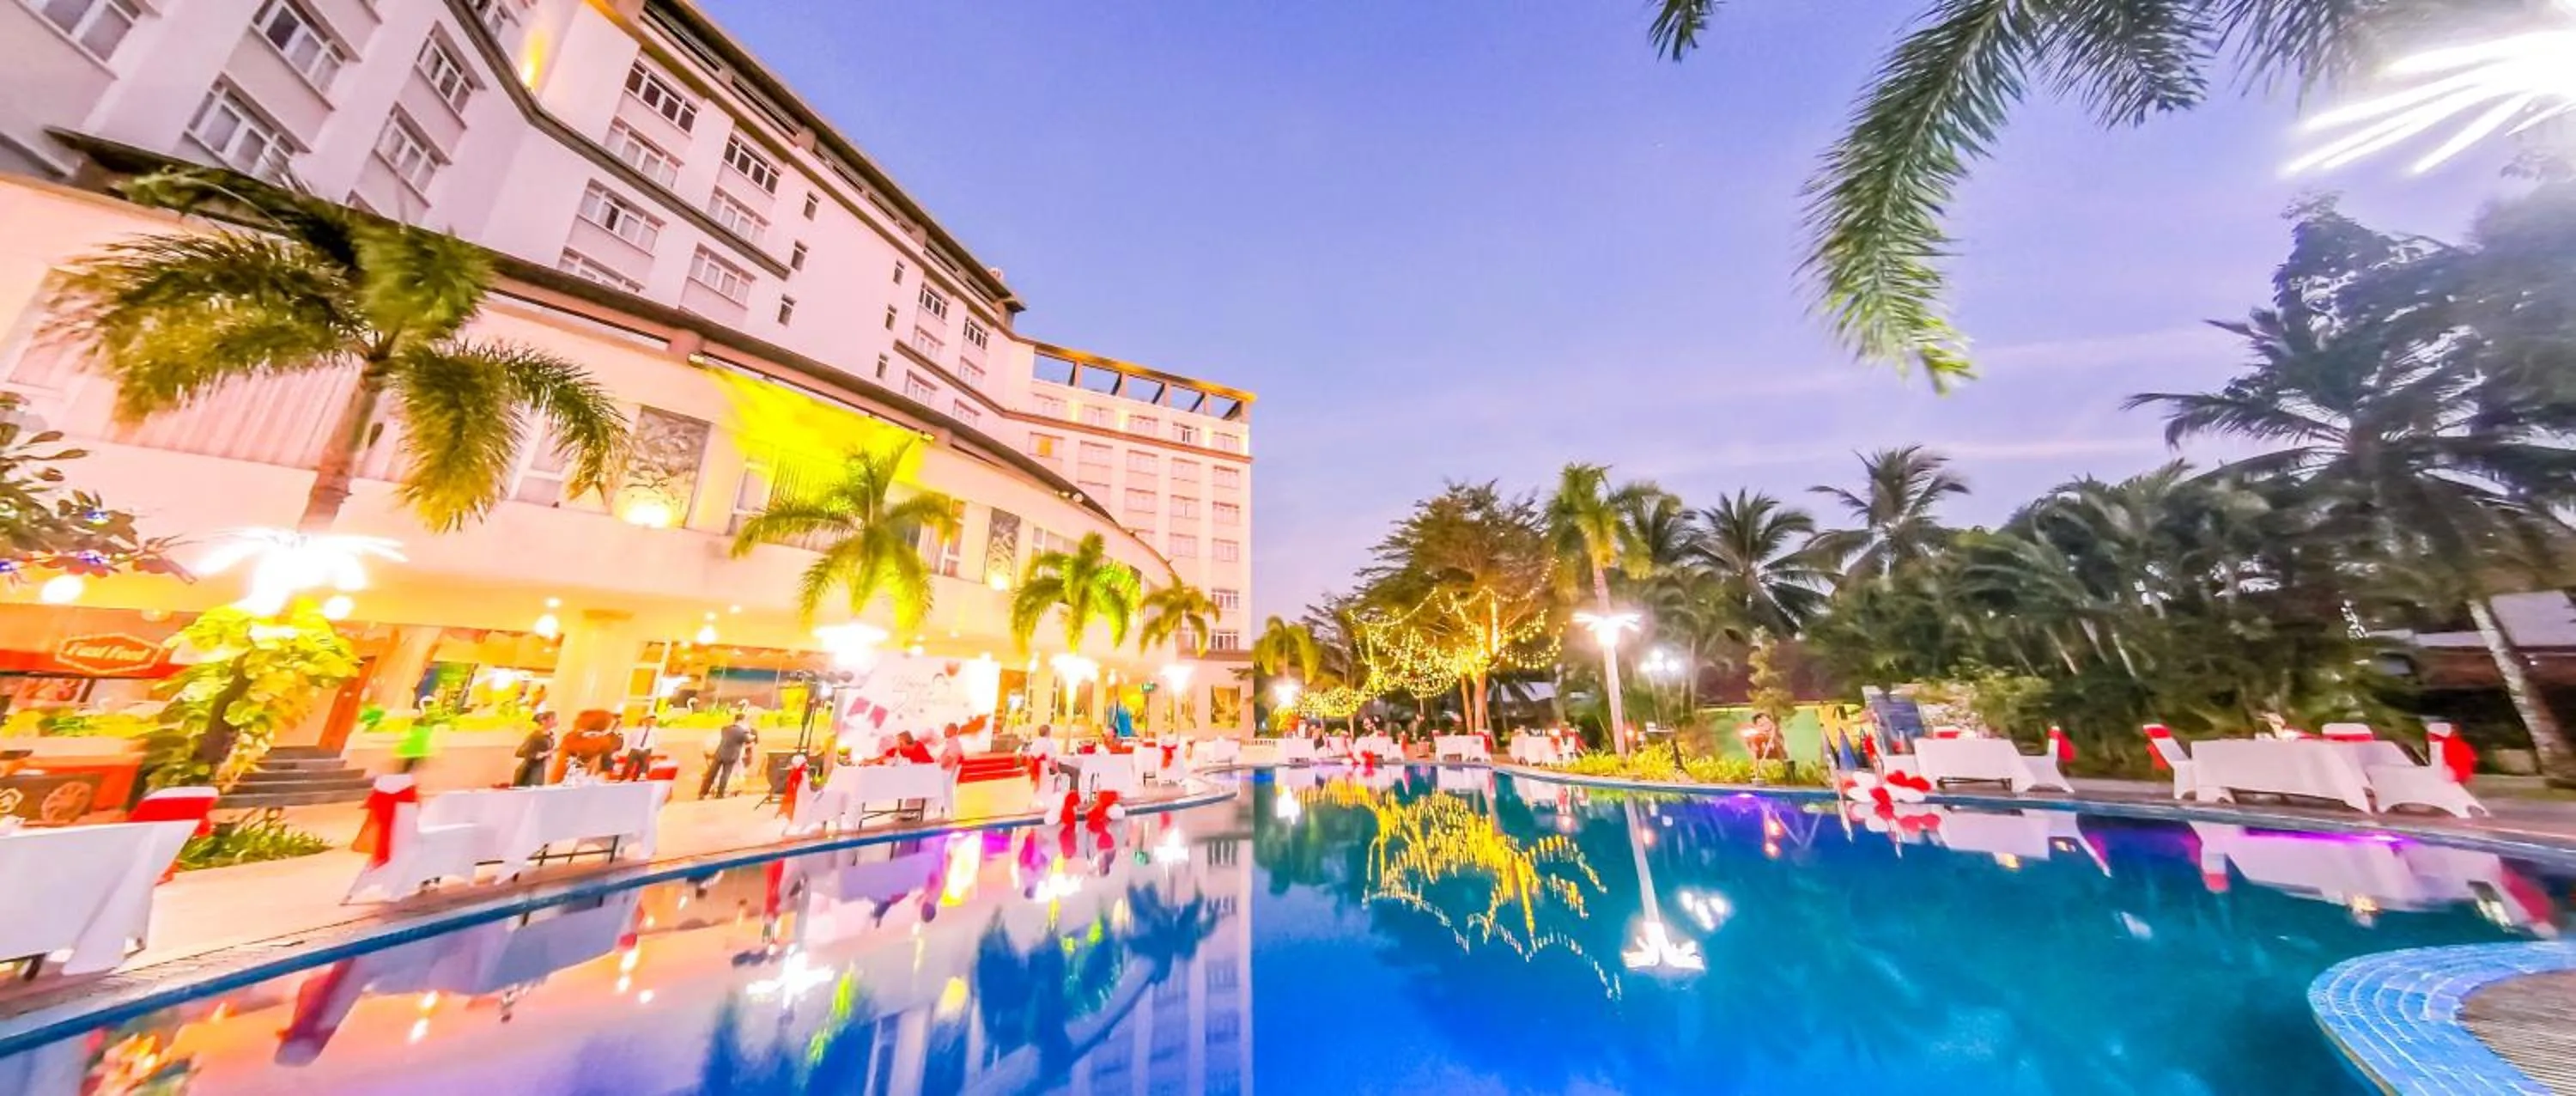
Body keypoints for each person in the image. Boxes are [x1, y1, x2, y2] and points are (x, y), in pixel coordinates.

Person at [702, 715, 752, 799]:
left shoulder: (725, 729)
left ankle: (703, 793)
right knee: (725, 775)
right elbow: (748, 740)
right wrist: (748, 734)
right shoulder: (741, 732)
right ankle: (720, 794)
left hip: (720, 753)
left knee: (711, 774)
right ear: (741, 721)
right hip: (731, 756)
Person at [511, 712, 556, 788]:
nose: (556, 721)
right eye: (553, 718)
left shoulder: (550, 735)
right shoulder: (535, 736)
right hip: (530, 771)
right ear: (543, 721)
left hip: (540, 769)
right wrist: (543, 754)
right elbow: (520, 752)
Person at [623, 715, 659, 781]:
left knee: (641, 766)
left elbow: (656, 741)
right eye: (649, 721)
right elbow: (631, 738)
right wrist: (630, 746)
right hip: (635, 749)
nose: (651, 723)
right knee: (629, 765)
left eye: (653, 721)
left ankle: (635, 779)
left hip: (647, 750)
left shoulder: (656, 731)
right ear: (646, 721)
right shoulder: (638, 729)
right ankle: (623, 778)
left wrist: (650, 749)